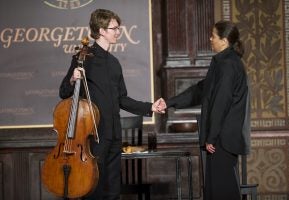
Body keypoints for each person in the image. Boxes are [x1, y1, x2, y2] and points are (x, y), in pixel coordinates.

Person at [59, 9, 164, 200]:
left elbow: (122, 99)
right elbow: (64, 92)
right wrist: (73, 79)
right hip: (93, 135)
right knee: (95, 190)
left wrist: (150, 107)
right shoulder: (83, 58)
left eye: (118, 28)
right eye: (114, 29)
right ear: (101, 30)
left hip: (114, 134)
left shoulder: (114, 63)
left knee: (113, 191)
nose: (118, 32)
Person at [158, 20, 251, 200]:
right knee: (216, 189)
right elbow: (200, 90)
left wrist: (212, 136)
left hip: (222, 140)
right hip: (222, 138)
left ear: (224, 41)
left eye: (214, 36)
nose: (210, 39)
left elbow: (221, 103)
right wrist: (169, 103)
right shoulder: (222, 62)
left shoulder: (228, 65)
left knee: (222, 191)